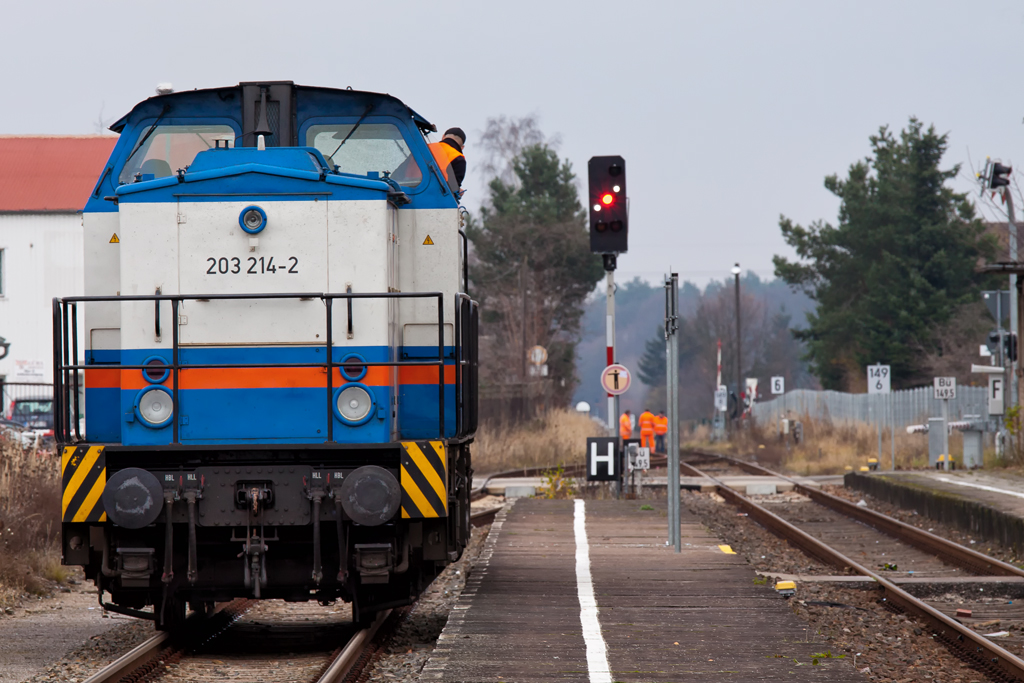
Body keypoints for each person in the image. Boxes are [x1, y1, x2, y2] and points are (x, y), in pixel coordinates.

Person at [428, 127, 467, 195]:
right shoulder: (458, 158)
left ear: (443, 136)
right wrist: (459, 191)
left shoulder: (427, 147)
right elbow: (452, 188)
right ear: (462, 147)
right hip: (432, 195)